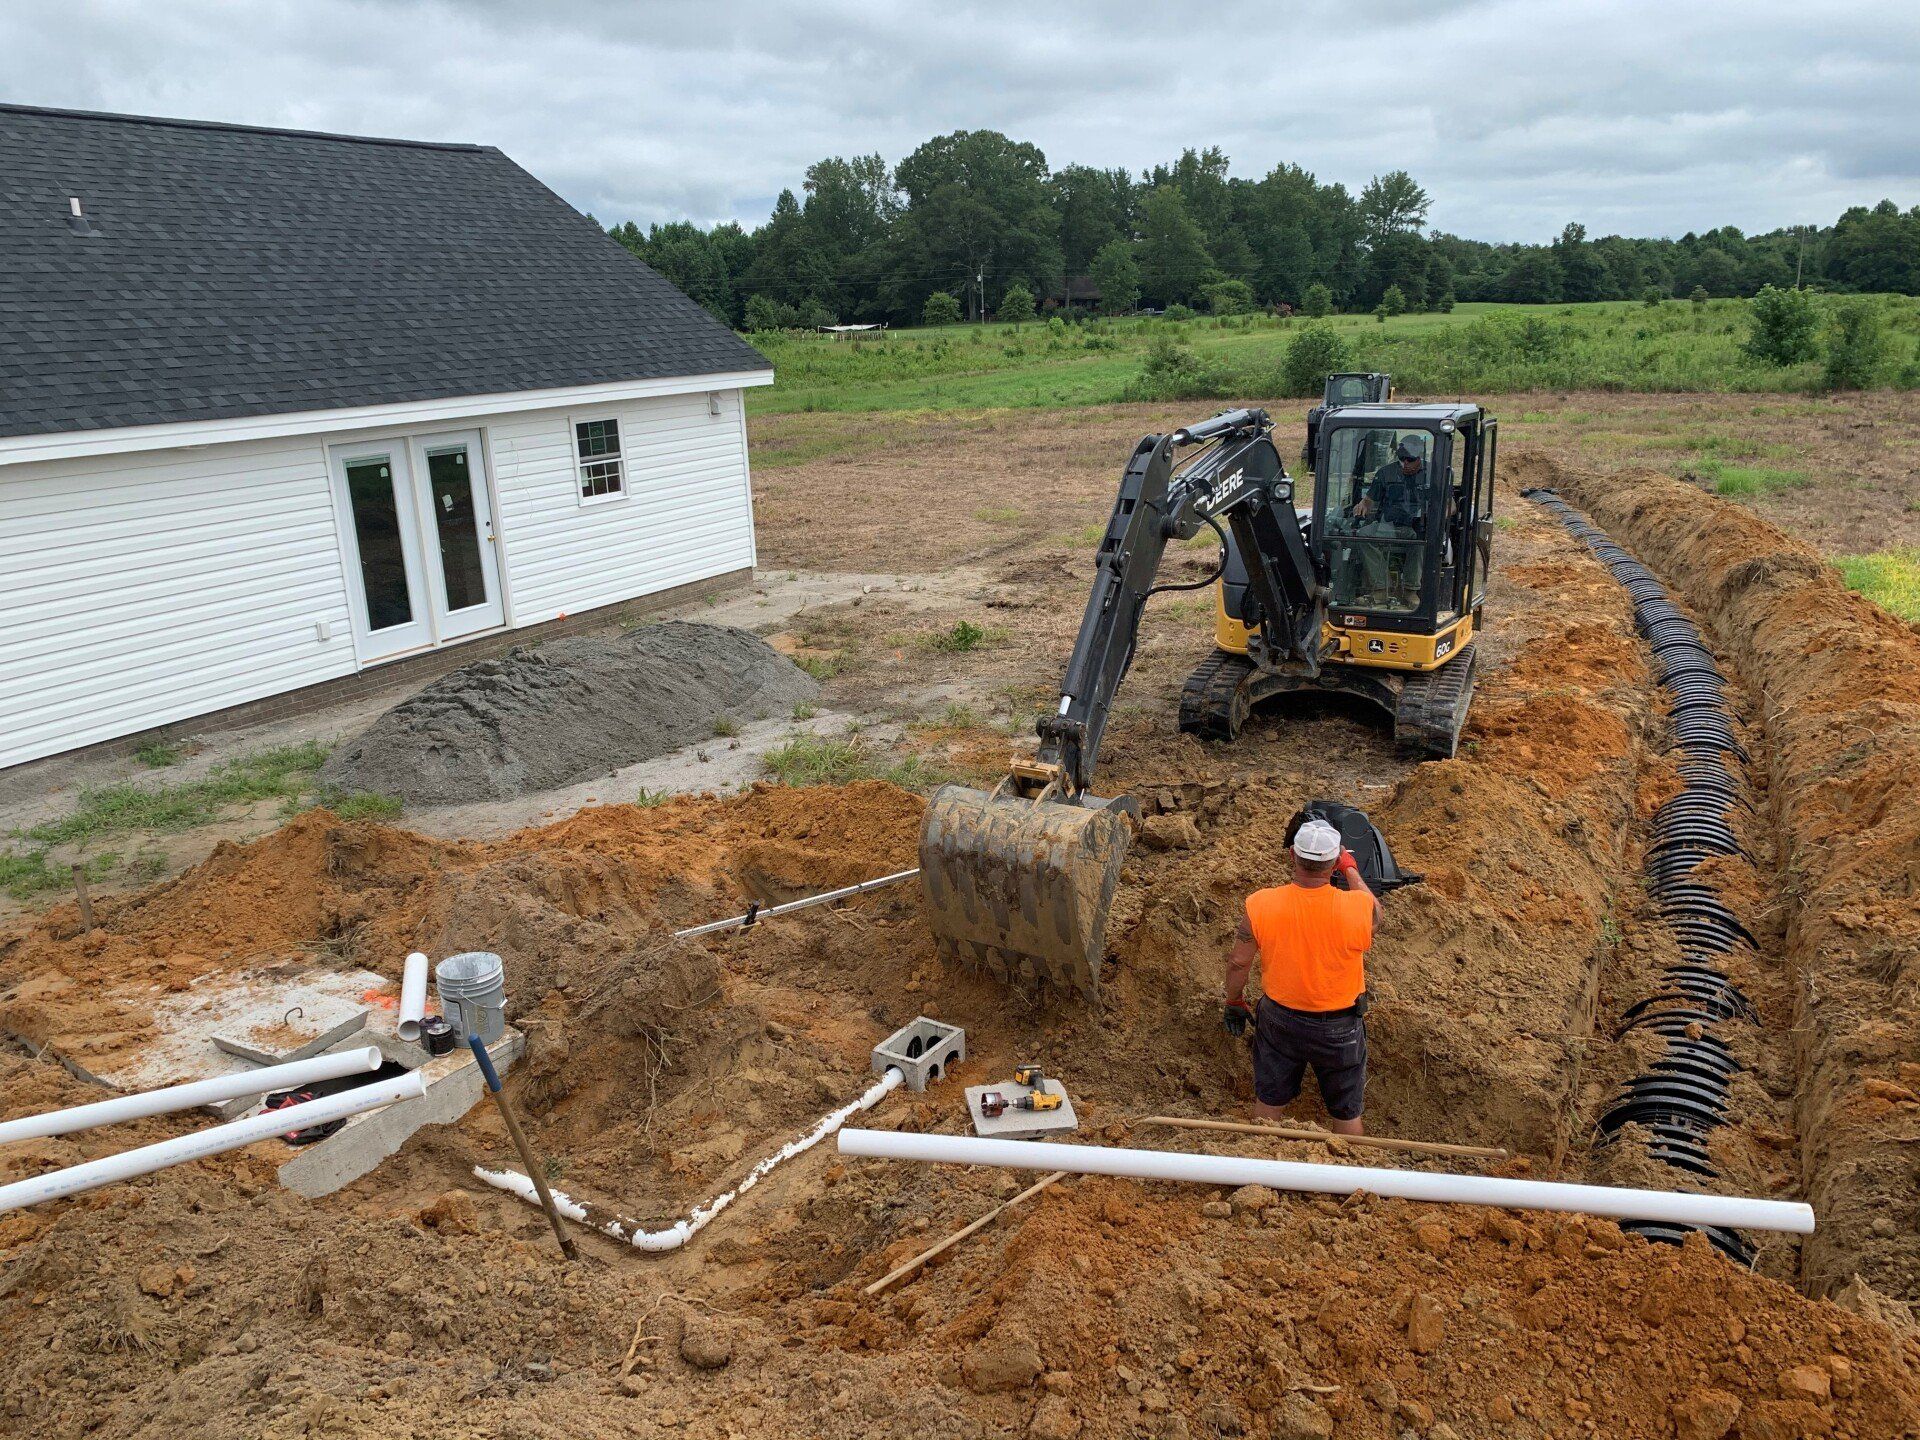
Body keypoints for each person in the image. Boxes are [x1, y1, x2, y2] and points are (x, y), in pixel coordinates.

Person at [1221, 818, 1381, 1135]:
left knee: (1268, 1104)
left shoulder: (1261, 903)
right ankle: (1354, 1179)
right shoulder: (1357, 907)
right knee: (1347, 1114)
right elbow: (1377, 915)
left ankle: (1259, 1170)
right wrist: (1350, 869)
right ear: (1334, 862)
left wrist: (1234, 1001)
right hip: (1340, 1027)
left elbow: (1239, 963)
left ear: (1292, 856)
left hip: (1279, 1021)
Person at [1349, 435, 1428, 605]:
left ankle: (1410, 591)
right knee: (1364, 534)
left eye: (1410, 459)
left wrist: (1435, 514)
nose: (1405, 463)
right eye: (1402, 459)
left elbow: (1450, 506)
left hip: (1416, 528)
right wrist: (1362, 505)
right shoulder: (1386, 473)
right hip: (1389, 525)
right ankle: (1381, 589)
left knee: (1422, 540)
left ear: (1420, 457)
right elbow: (1369, 501)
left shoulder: (1434, 474)